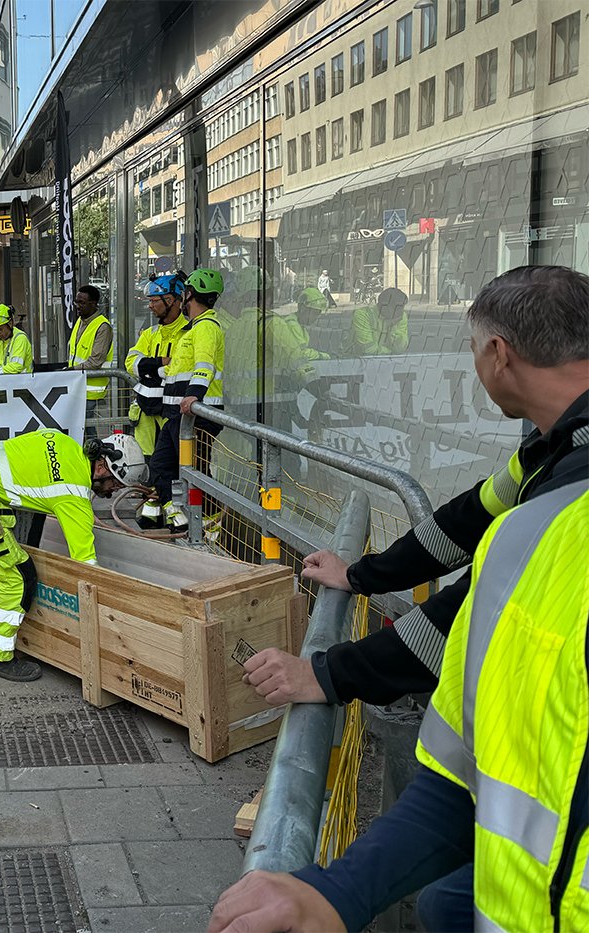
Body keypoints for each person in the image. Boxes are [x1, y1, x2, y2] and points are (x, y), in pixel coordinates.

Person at [209, 480, 589, 933]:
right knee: (445, 904)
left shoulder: (556, 523)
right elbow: (457, 526)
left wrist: (330, 673)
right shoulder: (547, 472)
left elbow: (449, 626)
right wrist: (342, 889)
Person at [242, 265, 589, 712]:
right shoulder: (554, 446)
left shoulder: (572, 486)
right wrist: (359, 575)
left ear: (499, 353)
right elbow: (465, 522)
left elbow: (470, 611)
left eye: (473, 349)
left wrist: (325, 674)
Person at [0, 431, 143, 682]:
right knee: (19, 575)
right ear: (100, 467)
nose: (112, 491)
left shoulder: (62, 441)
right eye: (115, 483)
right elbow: (85, 565)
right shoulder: (73, 494)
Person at [141, 268, 226, 532]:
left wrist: (193, 397)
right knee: (160, 466)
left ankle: (209, 527)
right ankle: (179, 517)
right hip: (177, 415)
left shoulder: (206, 327)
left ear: (189, 294)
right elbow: (177, 370)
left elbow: (204, 366)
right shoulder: (192, 329)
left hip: (195, 416)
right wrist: (151, 368)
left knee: (196, 473)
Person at [124, 273, 188, 488]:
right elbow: (130, 362)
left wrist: (149, 369)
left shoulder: (187, 334)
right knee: (148, 466)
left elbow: (180, 369)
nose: (150, 306)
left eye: (154, 301)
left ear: (170, 301)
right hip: (146, 413)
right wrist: (160, 364)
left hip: (171, 412)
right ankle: (151, 507)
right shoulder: (151, 333)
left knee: (172, 467)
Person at [66, 284, 115, 437]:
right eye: (76, 302)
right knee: (83, 428)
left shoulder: (102, 326)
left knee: (87, 429)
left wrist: (70, 371)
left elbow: (95, 361)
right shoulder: (81, 321)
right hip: (78, 385)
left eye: (82, 303)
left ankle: (97, 457)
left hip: (91, 389)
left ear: (93, 304)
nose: (77, 306)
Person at [350, 286, 410, 356]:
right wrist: (389, 351)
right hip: (354, 359)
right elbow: (367, 349)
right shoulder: (363, 314)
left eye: (402, 307)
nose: (401, 311)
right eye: (398, 308)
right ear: (384, 307)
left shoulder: (401, 316)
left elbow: (400, 348)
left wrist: (393, 327)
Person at [0, 304, 33, 375]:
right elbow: (0, 364)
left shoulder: (20, 338)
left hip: (23, 382)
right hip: (6, 381)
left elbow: (16, 367)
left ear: (10, 323)